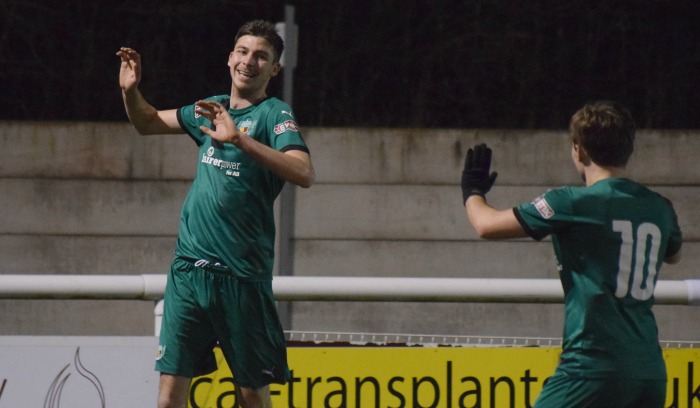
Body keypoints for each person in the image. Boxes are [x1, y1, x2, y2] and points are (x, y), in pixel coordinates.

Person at [117, 20, 314, 408]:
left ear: (273, 69)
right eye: (242, 52)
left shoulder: (275, 114)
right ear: (229, 58)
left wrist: (239, 138)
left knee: (252, 398)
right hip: (189, 273)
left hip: (241, 278)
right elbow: (147, 121)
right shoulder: (210, 109)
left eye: (261, 56)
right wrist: (131, 92)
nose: (249, 61)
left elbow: (304, 172)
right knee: (169, 398)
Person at [460, 101, 682, 407]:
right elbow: (672, 254)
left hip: (591, 369)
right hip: (650, 372)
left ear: (578, 150)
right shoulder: (660, 207)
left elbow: (485, 225)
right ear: (629, 149)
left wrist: (472, 191)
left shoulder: (571, 203)